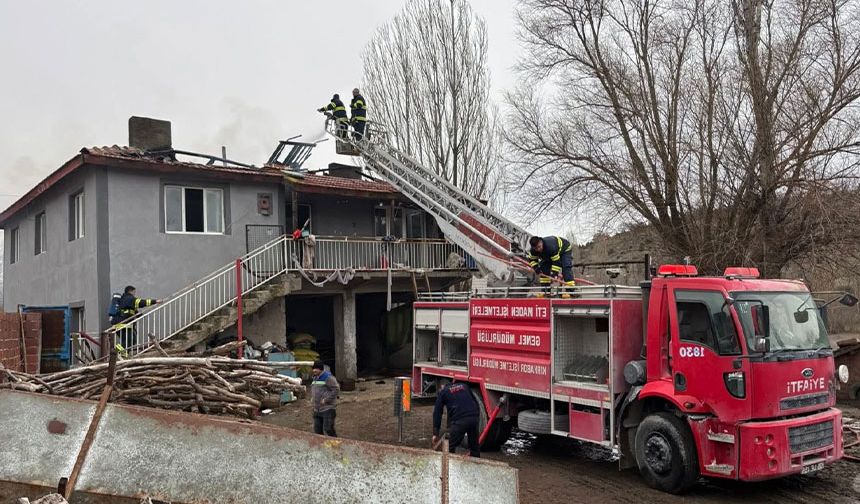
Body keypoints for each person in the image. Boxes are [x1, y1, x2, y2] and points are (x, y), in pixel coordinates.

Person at [432, 381, 480, 457]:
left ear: (442, 386)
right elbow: (475, 401)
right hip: (474, 417)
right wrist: (476, 416)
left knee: (449, 447)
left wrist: (435, 433)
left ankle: (449, 466)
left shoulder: (443, 392)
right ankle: (476, 465)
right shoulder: (464, 386)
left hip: (460, 420)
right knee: (474, 447)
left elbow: (437, 413)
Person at [110, 285, 160, 351]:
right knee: (130, 340)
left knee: (130, 340)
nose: (134, 294)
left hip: (121, 323)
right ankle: (115, 352)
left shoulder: (125, 299)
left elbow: (132, 310)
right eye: (134, 292)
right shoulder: (129, 298)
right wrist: (155, 301)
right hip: (123, 324)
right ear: (131, 291)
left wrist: (140, 315)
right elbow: (141, 302)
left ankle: (123, 354)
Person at [311, 360, 339, 437]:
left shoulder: (328, 377)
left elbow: (336, 389)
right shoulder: (315, 378)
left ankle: (335, 444)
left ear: (321, 369)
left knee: (328, 429)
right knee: (317, 430)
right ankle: (321, 446)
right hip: (317, 409)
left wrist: (326, 400)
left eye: (316, 368)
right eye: (313, 368)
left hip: (327, 408)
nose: (314, 370)